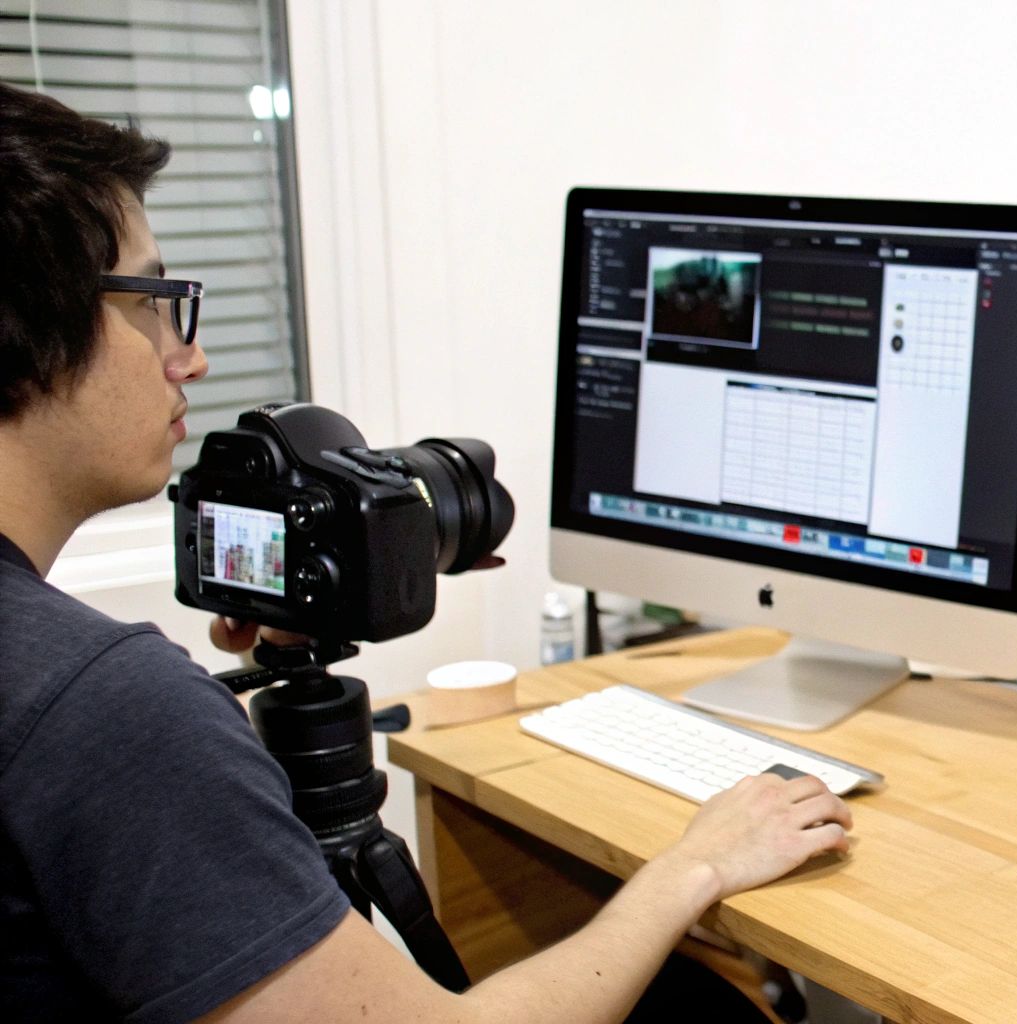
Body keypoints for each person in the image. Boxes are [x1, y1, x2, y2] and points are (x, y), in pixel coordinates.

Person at [0, 81, 852, 1023]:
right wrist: (698, 863)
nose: (188, 358)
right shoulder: (103, 712)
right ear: (34, 327)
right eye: (158, 301)